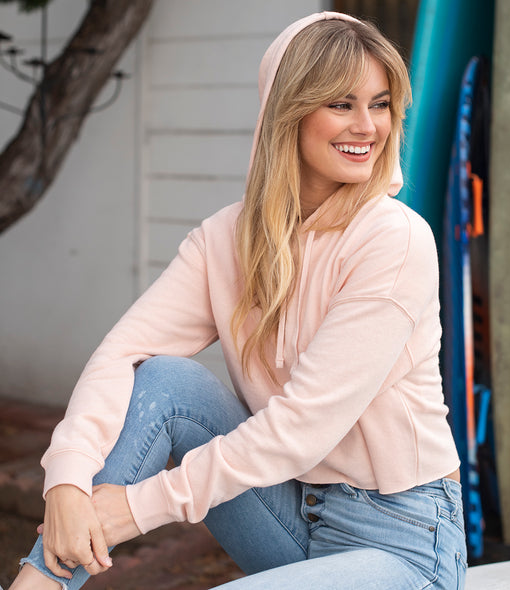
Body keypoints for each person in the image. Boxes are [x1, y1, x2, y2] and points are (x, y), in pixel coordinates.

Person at [8, 11, 466, 590]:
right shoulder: (227, 238)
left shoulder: (392, 238)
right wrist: (68, 485)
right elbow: (122, 353)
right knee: (168, 382)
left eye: (379, 104)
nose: (368, 126)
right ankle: (38, 585)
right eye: (342, 104)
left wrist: (135, 508)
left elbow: (302, 427)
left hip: (404, 543)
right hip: (296, 517)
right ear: (289, 110)